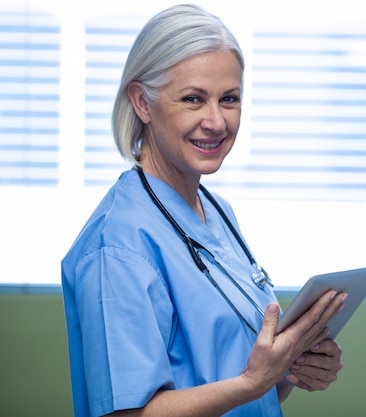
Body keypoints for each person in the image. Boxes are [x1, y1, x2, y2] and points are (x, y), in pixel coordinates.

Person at [61, 4, 346, 417]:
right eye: (193, 99)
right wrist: (254, 381)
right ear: (142, 102)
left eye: (229, 99)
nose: (216, 121)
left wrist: (287, 371)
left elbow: (230, 384)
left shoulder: (216, 211)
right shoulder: (117, 247)